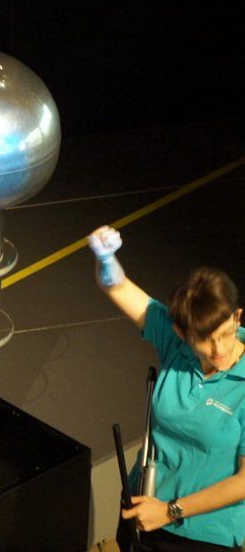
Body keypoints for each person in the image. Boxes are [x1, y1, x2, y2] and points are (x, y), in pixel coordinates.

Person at [88, 225, 245, 552]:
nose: (218, 349)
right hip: (142, 507)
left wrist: (170, 511)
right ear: (181, 333)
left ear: (238, 317)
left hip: (204, 533)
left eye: (226, 334)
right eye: (204, 339)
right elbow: (117, 286)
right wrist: (106, 258)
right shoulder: (175, 344)